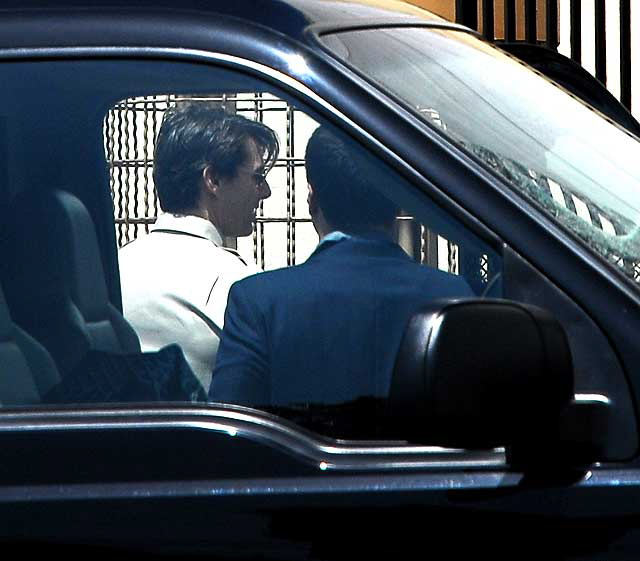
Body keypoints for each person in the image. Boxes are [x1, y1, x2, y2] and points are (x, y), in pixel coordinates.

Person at [208, 126, 474, 407]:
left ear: (312, 199)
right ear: (397, 204)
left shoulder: (259, 302)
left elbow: (230, 428)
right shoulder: (453, 297)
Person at [119, 102, 279, 390]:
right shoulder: (236, 283)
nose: (265, 192)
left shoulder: (114, 270)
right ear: (213, 179)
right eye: (257, 177)